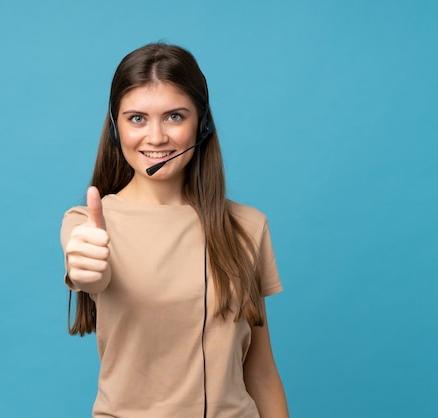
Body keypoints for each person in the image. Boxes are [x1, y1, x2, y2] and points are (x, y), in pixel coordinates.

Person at [61, 42, 289, 418]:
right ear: (116, 129)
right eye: (137, 118)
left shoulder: (249, 228)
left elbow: (261, 371)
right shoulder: (88, 224)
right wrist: (86, 266)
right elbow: (86, 268)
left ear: (202, 124)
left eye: (174, 117)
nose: (156, 137)